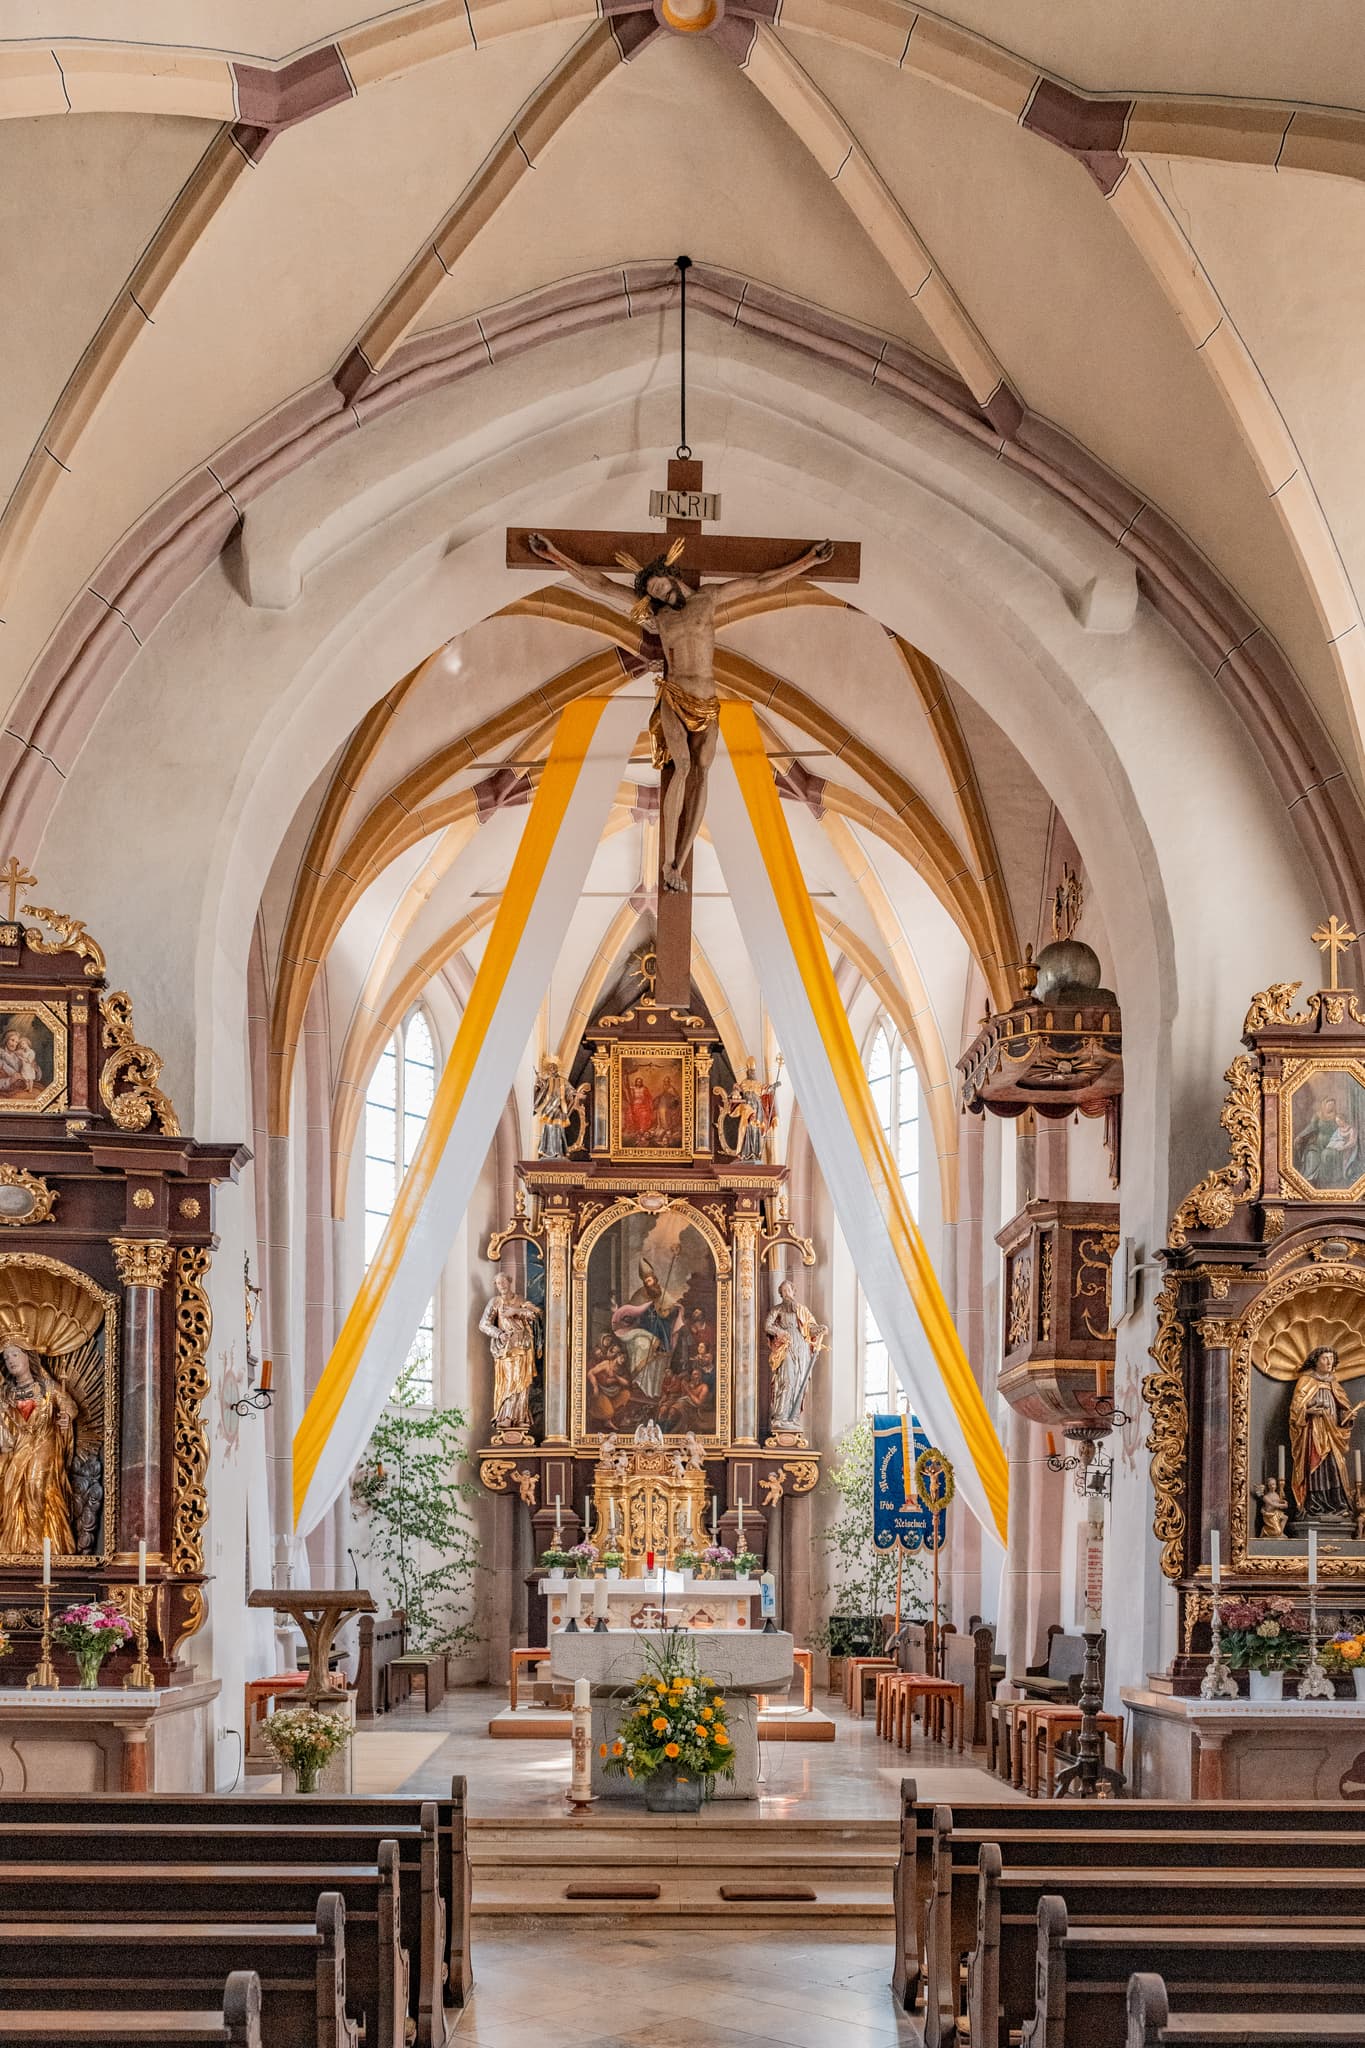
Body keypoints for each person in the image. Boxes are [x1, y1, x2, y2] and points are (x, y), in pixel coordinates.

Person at [528, 530, 833, 890]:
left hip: (707, 703)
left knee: (702, 774)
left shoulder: (709, 599)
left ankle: (682, 858)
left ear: (671, 577)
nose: (659, 595)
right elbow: (602, 585)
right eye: (652, 594)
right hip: (675, 696)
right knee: (682, 768)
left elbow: (759, 583)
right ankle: (667, 860)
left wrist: (808, 561)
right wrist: (556, 557)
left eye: (660, 587)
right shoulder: (659, 620)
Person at [0, 1340, 77, 1553]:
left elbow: (69, 1405)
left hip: (44, 1442)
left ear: (28, 1356)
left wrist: (65, 1417)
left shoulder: (48, 1387)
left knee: (36, 1486)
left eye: (15, 1355)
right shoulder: (6, 1393)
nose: (10, 1361)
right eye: (6, 1358)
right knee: (10, 1489)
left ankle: (40, 1547)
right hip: (20, 1446)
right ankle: (17, 1545)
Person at [1289, 1345, 1365, 1517]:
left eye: (1331, 1358)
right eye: (1325, 1358)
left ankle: (1337, 1503)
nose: (1329, 1362)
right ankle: (1314, 1504)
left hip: (1332, 1434)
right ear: (1316, 1361)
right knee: (1316, 1466)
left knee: (1334, 1467)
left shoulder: (1334, 1384)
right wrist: (1308, 1412)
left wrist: (1347, 1416)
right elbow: (1295, 1411)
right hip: (1313, 1432)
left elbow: (1342, 1408)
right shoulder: (1305, 1381)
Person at [765, 1277, 828, 1439]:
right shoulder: (777, 1310)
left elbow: (811, 1328)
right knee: (787, 1379)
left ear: (794, 1292)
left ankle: (792, 1418)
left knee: (800, 1381)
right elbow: (768, 1326)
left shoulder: (802, 1310)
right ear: (781, 1294)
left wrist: (819, 1329)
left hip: (802, 1348)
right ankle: (780, 1416)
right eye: (783, 1291)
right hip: (786, 1346)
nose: (787, 1294)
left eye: (789, 1290)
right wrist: (779, 1332)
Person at [479, 1273, 540, 1440]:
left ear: (510, 1282)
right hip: (505, 1349)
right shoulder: (495, 1302)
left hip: (523, 1346)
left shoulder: (520, 1300)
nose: (501, 1285)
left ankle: (520, 1417)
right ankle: (506, 1416)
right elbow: (484, 1324)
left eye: (504, 1281)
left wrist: (516, 1311)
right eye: (498, 1283)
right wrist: (498, 1333)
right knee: (508, 1381)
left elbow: (534, 1314)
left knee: (522, 1382)